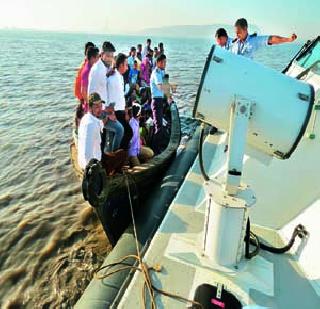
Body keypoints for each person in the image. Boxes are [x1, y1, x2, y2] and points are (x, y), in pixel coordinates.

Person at [231, 18, 297, 59]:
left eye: (239, 32)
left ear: (245, 29)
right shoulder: (234, 43)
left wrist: (288, 39)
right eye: (236, 33)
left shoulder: (254, 41)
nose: (237, 35)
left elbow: (272, 39)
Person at [107, 53, 133, 150]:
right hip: (116, 112)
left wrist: (125, 111)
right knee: (127, 133)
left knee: (123, 134)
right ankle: (116, 155)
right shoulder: (113, 79)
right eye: (126, 65)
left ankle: (119, 154)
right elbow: (110, 97)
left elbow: (120, 96)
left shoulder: (120, 77)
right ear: (121, 65)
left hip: (120, 110)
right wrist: (111, 113)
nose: (127, 68)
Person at [77, 93, 107, 170]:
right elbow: (87, 154)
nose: (100, 109)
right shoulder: (91, 125)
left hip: (92, 161)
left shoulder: (86, 117)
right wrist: (93, 171)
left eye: (100, 106)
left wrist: (105, 120)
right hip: (92, 166)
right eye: (96, 107)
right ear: (89, 107)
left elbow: (98, 124)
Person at [150, 54, 167, 154]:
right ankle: (155, 149)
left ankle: (157, 146)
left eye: (165, 62)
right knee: (158, 126)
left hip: (160, 100)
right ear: (158, 63)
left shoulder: (161, 71)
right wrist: (169, 92)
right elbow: (160, 87)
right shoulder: (156, 73)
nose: (165, 64)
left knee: (160, 124)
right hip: (156, 101)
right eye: (163, 62)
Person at [80, 46, 100, 112]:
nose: (99, 59)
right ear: (92, 58)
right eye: (97, 57)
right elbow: (83, 91)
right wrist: (92, 105)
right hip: (90, 108)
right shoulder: (86, 71)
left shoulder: (92, 68)